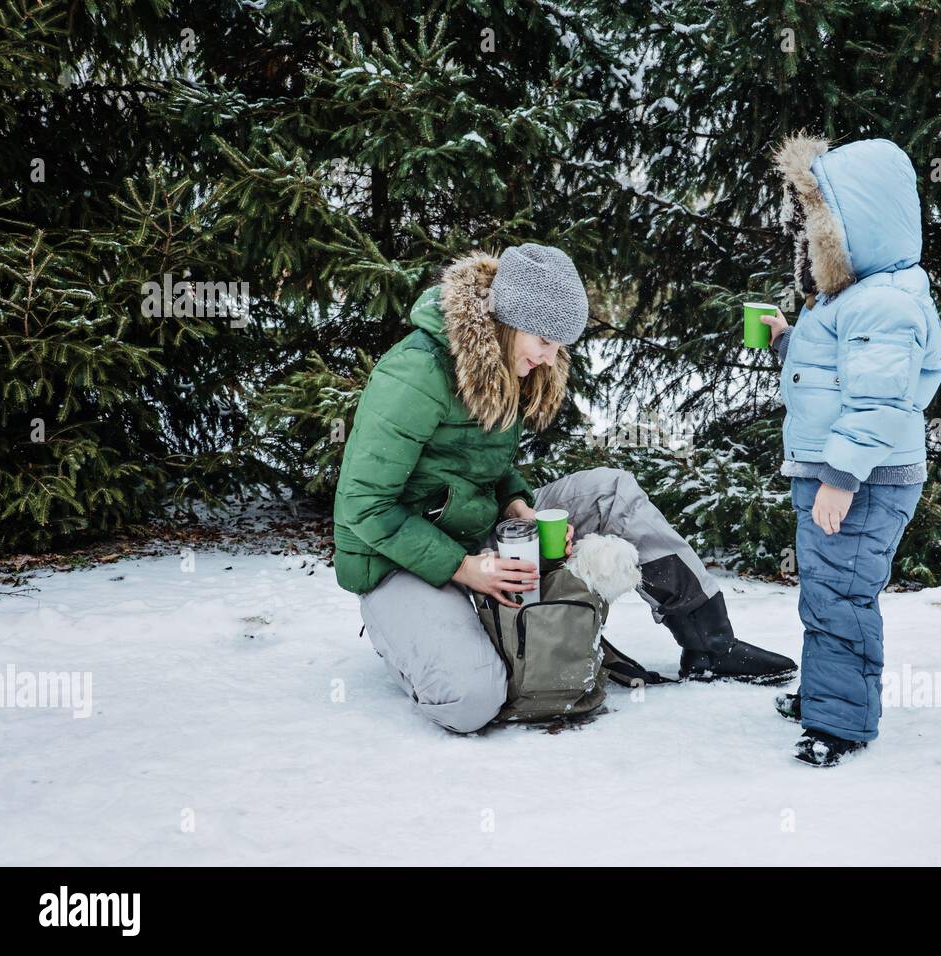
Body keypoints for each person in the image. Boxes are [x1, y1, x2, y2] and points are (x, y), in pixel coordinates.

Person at [333, 243, 796, 733]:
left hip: (478, 532)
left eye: (560, 346)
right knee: (469, 703)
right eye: (544, 341)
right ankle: (412, 634)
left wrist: (516, 507)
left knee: (610, 491)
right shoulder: (417, 372)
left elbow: (489, 468)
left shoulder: (504, 360)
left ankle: (709, 643)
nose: (551, 359)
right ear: (509, 320)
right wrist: (465, 569)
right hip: (397, 560)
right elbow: (363, 506)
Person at [760, 135, 941, 767]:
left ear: (856, 229)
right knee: (825, 588)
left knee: (841, 593)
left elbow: (876, 402)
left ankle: (841, 724)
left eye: (822, 229)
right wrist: (788, 342)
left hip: (863, 479)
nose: (812, 244)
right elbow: (835, 378)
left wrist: (840, 476)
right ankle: (827, 696)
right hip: (843, 474)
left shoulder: (887, 304)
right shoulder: (855, 299)